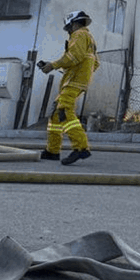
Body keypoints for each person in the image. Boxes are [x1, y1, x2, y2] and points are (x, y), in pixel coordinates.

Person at [37, 10, 99, 166]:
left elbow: (73, 57)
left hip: (73, 81)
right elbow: (95, 63)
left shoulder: (78, 35)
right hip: (76, 80)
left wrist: (53, 65)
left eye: (68, 28)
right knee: (56, 115)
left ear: (73, 24)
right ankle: (52, 151)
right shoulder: (89, 39)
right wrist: (80, 72)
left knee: (64, 110)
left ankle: (81, 148)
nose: (69, 31)